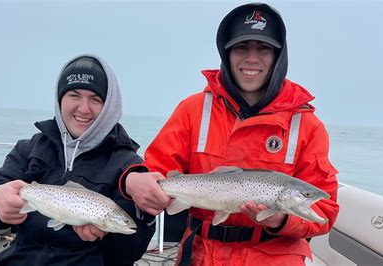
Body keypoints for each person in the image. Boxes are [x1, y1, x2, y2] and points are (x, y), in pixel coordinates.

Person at [119, 3, 339, 265]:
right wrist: (132, 180)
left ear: (279, 56)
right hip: (202, 253)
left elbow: (325, 210)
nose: (252, 59)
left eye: (264, 48)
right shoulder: (193, 110)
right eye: (242, 47)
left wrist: (281, 218)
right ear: (227, 52)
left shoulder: (307, 127)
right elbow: (154, 169)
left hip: (275, 257)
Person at [0, 54, 156, 265]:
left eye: (95, 99)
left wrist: (106, 236)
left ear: (109, 107)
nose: (84, 109)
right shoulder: (29, 149)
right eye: (74, 95)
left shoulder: (129, 166)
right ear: (60, 100)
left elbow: (132, 248)